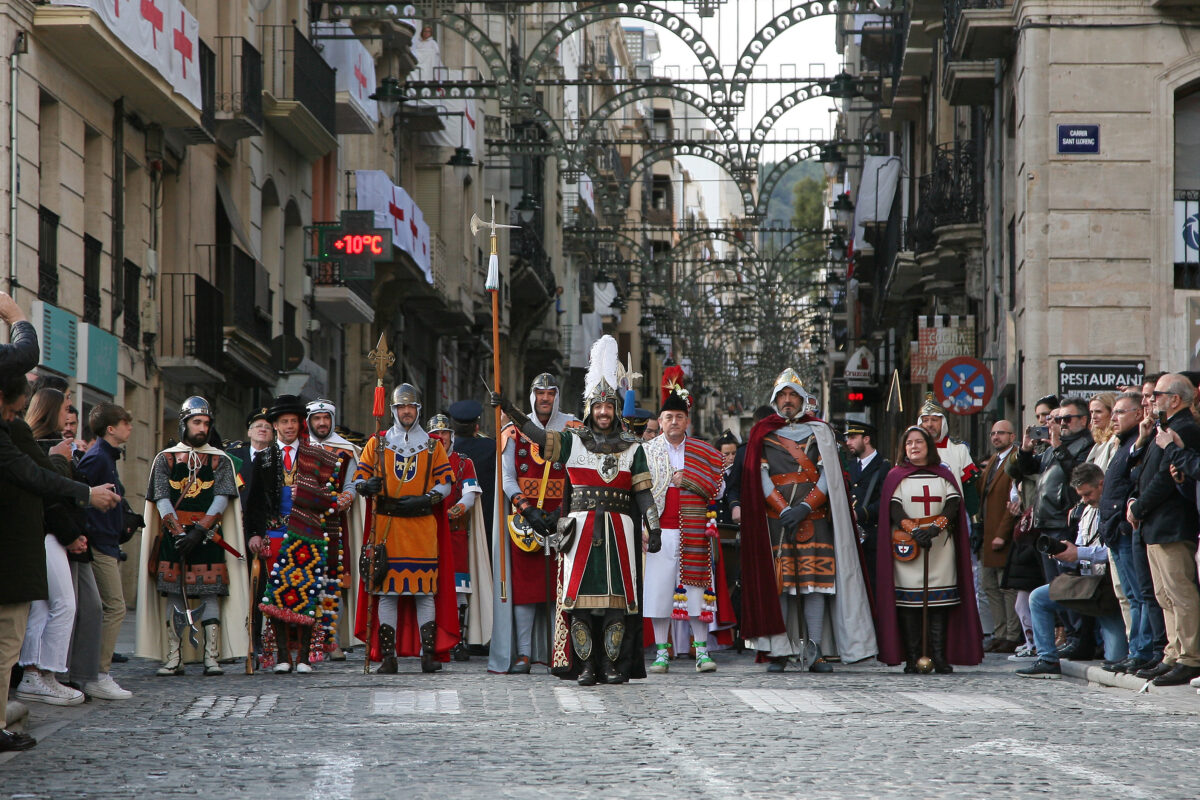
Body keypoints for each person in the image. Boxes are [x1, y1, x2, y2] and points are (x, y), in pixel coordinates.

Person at [490, 335, 659, 686]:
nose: (602, 412)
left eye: (608, 406)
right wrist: (510, 409)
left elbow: (642, 492)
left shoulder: (632, 448)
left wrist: (653, 527)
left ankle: (611, 666)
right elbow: (537, 436)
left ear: (615, 409)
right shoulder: (573, 441)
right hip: (580, 529)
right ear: (589, 409)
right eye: (597, 407)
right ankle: (584, 666)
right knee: (579, 604)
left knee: (615, 604)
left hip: (619, 532)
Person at [739, 369, 876, 673]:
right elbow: (759, 475)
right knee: (782, 586)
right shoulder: (763, 431)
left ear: (803, 400)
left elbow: (829, 475)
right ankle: (781, 651)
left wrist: (803, 507)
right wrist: (782, 507)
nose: (788, 401)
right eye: (783, 396)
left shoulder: (821, 432)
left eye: (793, 396)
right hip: (777, 523)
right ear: (775, 400)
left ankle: (815, 650)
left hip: (815, 519)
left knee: (817, 585)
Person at [135, 396, 249, 676]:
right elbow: (161, 497)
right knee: (174, 595)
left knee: (210, 593)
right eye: (196, 422)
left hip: (208, 538)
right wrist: (177, 532)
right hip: (174, 538)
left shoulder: (220, 460)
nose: (202, 428)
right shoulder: (166, 458)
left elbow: (222, 497)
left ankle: (212, 657)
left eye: (206, 423)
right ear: (184, 424)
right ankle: (174, 658)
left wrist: (199, 531)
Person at [354, 383, 458, 674]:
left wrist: (427, 498)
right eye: (401, 407)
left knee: (424, 592)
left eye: (411, 407)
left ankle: (428, 654)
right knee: (387, 592)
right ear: (394, 410)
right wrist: (366, 486)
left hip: (422, 526)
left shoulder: (433, 445)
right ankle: (389, 657)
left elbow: (445, 483)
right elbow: (359, 477)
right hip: (388, 526)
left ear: (419, 410)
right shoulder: (378, 443)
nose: (407, 411)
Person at [255, 395, 354, 674]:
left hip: (309, 532)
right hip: (275, 534)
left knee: (308, 594)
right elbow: (254, 503)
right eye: (284, 422)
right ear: (275, 425)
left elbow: (333, 500)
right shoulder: (263, 458)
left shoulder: (322, 458)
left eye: (293, 422)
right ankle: (284, 656)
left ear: (301, 425)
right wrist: (255, 533)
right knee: (277, 597)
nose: (289, 427)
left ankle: (306, 658)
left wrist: (308, 495)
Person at [490, 373, 579, 675]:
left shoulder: (572, 428)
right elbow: (507, 477)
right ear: (532, 396)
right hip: (525, 519)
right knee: (526, 587)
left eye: (550, 393)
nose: (545, 398)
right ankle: (525, 654)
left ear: (557, 395)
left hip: (564, 518)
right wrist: (526, 509)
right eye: (540, 393)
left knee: (562, 587)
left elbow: (579, 472)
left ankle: (559, 650)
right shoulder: (513, 431)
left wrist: (562, 511)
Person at [642, 380, 733, 674]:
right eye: (668, 417)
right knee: (658, 592)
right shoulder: (647, 451)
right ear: (660, 421)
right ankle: (661, 652)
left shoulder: (703, 450)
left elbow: (718, 489)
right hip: (659, 530)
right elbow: (639, 492)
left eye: (679, 417)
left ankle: (702, 651)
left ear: (687, 421)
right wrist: (643, 527)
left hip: (694, 530)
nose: (673, 422)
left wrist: (688, 481)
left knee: (696, 591)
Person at [876, 426, 983, 673]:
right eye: (909, 443)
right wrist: (914, 531)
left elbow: (953, 503)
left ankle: (938, 656)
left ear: (929, 446)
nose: (914, 447)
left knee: (940, 603)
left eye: (919, 442)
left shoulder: (943, 474)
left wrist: (935, 529)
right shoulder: (896, 475)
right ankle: (913, 657)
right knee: (909, 604)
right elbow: (894, 507)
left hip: (940, 547)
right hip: (907, 546)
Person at [1017, 464, 1128, 678]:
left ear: (1101, 484)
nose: (1085, 499)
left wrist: (1080, 553)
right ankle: (1047, 658)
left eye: (1088, 493)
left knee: (1115, 659)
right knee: (1038, 598)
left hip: (1106, 586)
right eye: (1081, 495)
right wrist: (1065, 553)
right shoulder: (1085, 510)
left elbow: (1114, 551)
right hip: (1084, 580)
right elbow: (1079, 545)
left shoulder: (1115, 507)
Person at [14, 389, 88, 707]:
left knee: (43, 607)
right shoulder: (41, 446)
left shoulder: (43, 444)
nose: (69, 415)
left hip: (48, 534)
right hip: (45, 534)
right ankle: (41, 673)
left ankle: (39, 675)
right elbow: (50, 491)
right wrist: (72, 534)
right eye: (66, 408)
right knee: (63, 604)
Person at [1126, 374, 1200, 685]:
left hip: (1171, 522)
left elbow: (1166, 478)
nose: (1151, 398)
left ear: (1175, 399)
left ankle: (1191, 655)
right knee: (1164, 594)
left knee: (1180, 592)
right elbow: (1143, 470)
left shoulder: (1184, 429)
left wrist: (1139, 507)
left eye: (1158, 393)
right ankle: (1174, 651)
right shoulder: (1163, 427)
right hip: (1155, 524)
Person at [1011, 396, 1095, 658]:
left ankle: (1081, 638)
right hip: (1046, 523)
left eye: (1066, 419)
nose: (1060, 424)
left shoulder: (1084, 445)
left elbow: (1077, 475)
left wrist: (1057, 444)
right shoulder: (1052, 447)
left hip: (1064, 522)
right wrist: (1026, 449)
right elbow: (1026, 470)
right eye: (1057, 419)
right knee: (1054, 585)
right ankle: (1070, 635)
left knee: (1068, 584)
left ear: (1083, 420)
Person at [71, 402, 135, 700]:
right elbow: (83, 498)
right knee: (114, 607)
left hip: (107, 541)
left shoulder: (106, 457)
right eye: (125, 423)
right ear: (111, 428)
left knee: (104, 608)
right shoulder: (97, 458)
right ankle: (98, 673)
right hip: (99, 544)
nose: (130, 427)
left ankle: (95, 672)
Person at [1099, 392, 1161, 675]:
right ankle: (1135, 649)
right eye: (1114, 413)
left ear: (1138, 415)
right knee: (1130, 596)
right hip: (1114, 529)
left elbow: (1134, 479)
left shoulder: (1140, 443)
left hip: (1126, 528)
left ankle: (1141, 650)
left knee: (1140, 595)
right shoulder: (1123, 444)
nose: (1114, 418)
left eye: (1120, 412)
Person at [427, 412, 491, 661]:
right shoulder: (420, 461)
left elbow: (470, 492)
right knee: (428, 588)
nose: (440, 437)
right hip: (426, 531)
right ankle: (429, 640)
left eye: (444, 432)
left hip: (454, 531)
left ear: (451, 435)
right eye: (436, 433)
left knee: (458, 587)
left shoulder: (463, 462)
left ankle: (457, 640)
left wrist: (461, 506)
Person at [304, 398, 364, 659]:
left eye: (326, 418)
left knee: (332, 585)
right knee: (305, 582)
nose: (321, 423)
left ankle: (332, 640)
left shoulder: (346, 451)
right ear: (309, 422)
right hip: (303, 522)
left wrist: (346, 498)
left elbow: (352, 484)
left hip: (334, 525)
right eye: (317, 419)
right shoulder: (300, 449)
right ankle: (308, 641)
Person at [977, 420, 1020, 653]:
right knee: (989, 585)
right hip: (986, 533)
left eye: (1001, 433)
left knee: (1007, 587)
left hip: (1002, 534)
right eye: (993, 433)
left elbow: (1013, 502)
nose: (996, 437)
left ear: (1012, 437)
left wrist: (1002, 534)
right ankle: (1000, 631)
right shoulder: (994, 460)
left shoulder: (1014, 460)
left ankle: (1012, 635)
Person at [845, 420, 890, 594]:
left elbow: (886, 501)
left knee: (873, 587)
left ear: (866, 439)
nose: (848, 442)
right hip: (852, 537)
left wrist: (860, 514)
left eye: (852, 437)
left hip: (874, 538)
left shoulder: (884, 466)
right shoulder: (850, 466)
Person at [449, 399, 496, 549]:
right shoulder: (491, 447)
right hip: (485, 519)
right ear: (476, 426)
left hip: (451, 522)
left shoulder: (444, 450)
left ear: (453, 427)